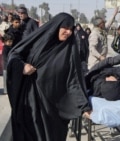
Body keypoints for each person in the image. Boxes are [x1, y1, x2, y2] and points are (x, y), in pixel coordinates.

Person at [6, 12, 91, 141]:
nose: (68, 32)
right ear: (57, 26)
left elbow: (74, 81)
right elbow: (15, 55)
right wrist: (22, 67)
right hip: (31, 100)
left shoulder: (70, 51)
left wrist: (84, 106)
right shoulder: (39, 41)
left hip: (54, 108)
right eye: (65, 28)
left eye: (71, 29)